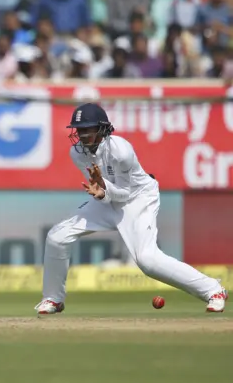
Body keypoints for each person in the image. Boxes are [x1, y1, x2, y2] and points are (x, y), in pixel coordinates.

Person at [35, 103, 228, 315]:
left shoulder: (121, 150)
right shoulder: (77, 153)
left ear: (102, 129)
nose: (81, 135)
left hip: (138, 199)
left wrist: (104, 190)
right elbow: (101, 189)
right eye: (79, 130)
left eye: (87, 129)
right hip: (107, 199)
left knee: (147, 260)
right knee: (57, 237)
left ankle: (213, 290)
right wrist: (101, 191)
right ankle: (53, 298)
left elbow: (125, 193)